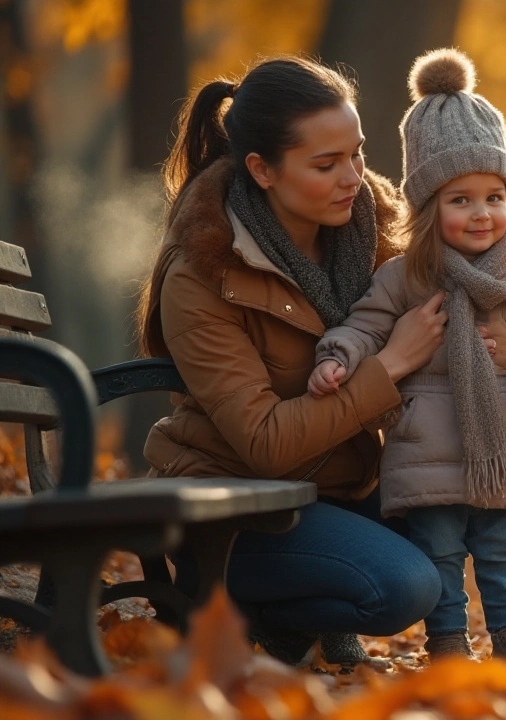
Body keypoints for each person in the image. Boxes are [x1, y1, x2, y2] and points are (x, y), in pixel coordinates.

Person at [136, 56, 450, 669]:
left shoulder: (372, 234)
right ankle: (256, 611)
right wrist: (389, 364)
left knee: (452, 508)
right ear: (262, 170)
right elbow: (266, 445)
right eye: (326, 164)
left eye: (357, 154)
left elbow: (451, 299)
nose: (353, 177)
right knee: (406, 587)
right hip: (235, 513)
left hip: (337, 487)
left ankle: (301, 618)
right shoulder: (203, 273)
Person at [309, 49, 506, 678]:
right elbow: (365, 326)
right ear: (429, 209)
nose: (482, 213)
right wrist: (338, 356)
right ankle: (449, 647)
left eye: (494, 197)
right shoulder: (406, 278)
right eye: (461, 200)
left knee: (501, 554)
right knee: (438, 555)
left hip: (502, 451)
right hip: (427, 448)